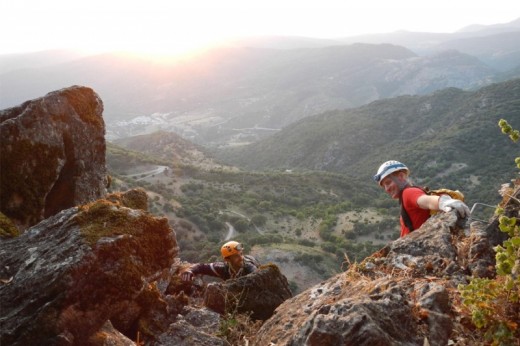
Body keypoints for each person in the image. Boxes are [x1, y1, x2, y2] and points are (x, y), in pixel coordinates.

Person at [373, 160, 470, 238]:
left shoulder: (408, 193)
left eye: (388, 183)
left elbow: (426, 201)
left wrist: (443, 202)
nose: (386, 189)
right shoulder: (410, 193)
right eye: (384, 186)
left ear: (401, 176)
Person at [180, 241, 259, 282]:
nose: (241, 258)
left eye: (241, 254)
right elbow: (201, 267)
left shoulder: (249, 266)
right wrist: (190, 270)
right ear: (227, 259)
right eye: (236, 256)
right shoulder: (223, 268)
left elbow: (257, 276)